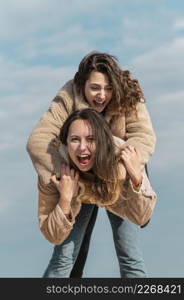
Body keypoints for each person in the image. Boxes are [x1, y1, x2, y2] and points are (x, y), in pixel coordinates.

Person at [26, 51, 156, 277]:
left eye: (108, 88)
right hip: (81, 177)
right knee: (66, 256)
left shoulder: (127, 94)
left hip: (118, 178)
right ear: (81, 84)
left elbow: (144, 137)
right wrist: (67, 176)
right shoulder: (69, 95)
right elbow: (39, 140)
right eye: (95, 87)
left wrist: (120, 170)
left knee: (129, 255)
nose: (102, 95)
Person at [38, 108, 156, 277]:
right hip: (76, 192)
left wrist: (137, 179)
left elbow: (142, 216)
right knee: (63, 258)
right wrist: (65, 199)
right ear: (65, 142)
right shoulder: (55, 170)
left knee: (130, 257)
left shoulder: (124, 157)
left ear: (103, 140)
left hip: (113, 184)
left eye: (91, 139)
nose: (82, 147)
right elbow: (53, 235)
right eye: (75, 140)